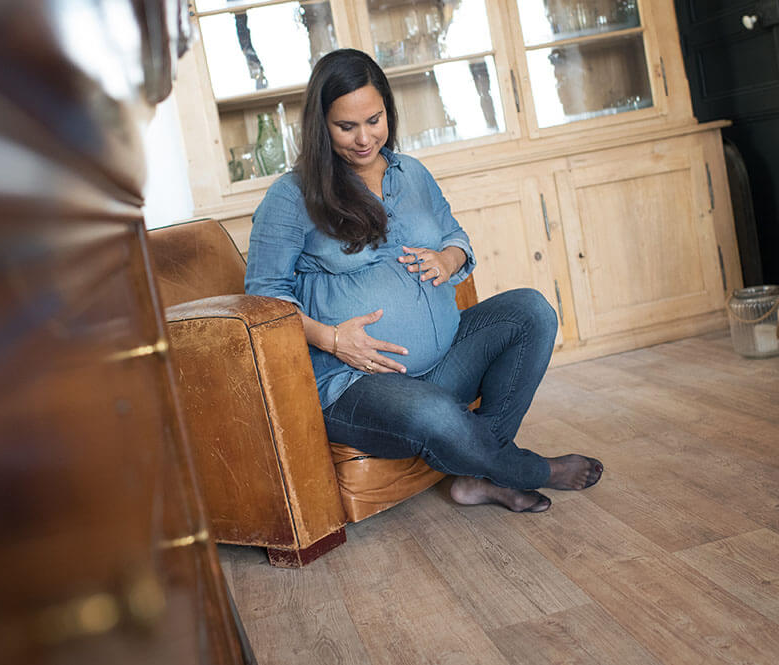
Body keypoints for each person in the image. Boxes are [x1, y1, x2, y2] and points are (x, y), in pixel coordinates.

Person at [245, 48, 602, 513]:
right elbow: (263, 298)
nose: (362, 138)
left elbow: (456, 237)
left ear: (387, 111)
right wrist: (332, 339)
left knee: (531, 310)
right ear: (320, 125)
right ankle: (527, 470)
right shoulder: (291, 197)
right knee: (433, 414)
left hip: (442, 363)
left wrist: (447, 259)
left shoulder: (411, 174)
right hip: (356, 384)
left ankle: (476, 475)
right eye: (345, 126)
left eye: (373, 120)